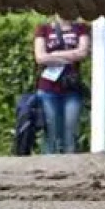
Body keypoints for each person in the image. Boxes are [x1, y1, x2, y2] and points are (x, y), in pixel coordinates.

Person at [32, 15, 90, 154]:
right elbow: (40, 57)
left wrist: (55, 55)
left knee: (71, 131)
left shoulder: (81, 29)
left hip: (71, 87)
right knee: (51, 132)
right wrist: (69, 56)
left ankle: (70, 166)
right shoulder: (43, 29)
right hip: (48, 88)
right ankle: (48, 166)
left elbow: (82, 52)